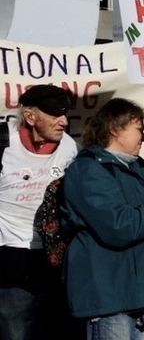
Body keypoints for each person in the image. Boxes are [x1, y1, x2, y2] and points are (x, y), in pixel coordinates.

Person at [62, 98, 144, 339]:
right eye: (139, 129)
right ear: (115, 129)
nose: (143, 138)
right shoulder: (89, 170)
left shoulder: (135, 169)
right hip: (111, 300)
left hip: (137, 296)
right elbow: (121, 225)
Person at [0, 85, 79, 340]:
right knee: (15, 331)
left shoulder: (70, 147)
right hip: (11, 255)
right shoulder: (4, 144)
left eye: (65, 113)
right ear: (31, 117)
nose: (64, 121)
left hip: (53, 254)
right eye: (55, 114)